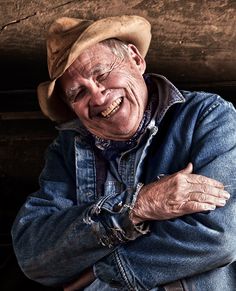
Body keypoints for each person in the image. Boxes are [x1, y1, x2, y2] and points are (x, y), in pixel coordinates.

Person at [11, 15, 236, 291]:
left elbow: (218, 237)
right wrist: (139, 206)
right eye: (78, 93)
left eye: (102, 74)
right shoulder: (67, 150)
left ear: (136, 60)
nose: (97, 96)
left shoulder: (207, 117)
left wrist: (99, 271)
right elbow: (33, 254)